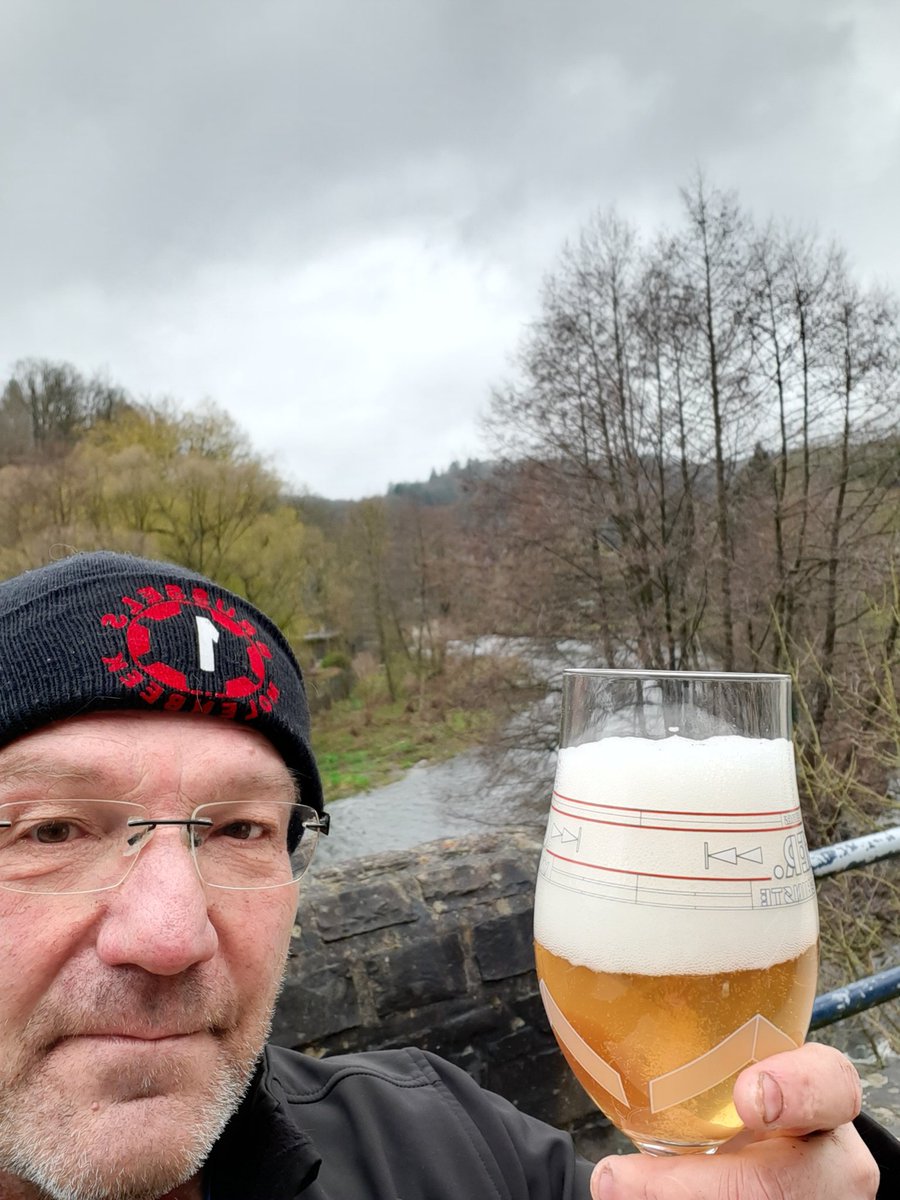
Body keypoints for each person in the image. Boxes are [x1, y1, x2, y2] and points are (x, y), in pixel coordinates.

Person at [0, 549, 892, 1200]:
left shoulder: (444, 1147)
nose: (170, 935)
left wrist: (803, 1171)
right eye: (51, 831)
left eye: (240, 827)